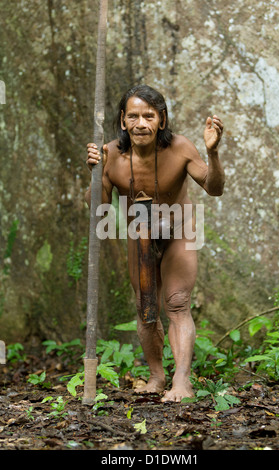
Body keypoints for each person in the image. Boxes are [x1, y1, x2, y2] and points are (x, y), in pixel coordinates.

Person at [85, 84, 225, 402]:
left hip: (179, 233)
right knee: (146, 308)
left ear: (161, 120)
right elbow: (98, 208)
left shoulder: (180, 148)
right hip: (141, 237)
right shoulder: (111, 156)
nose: (140, 123)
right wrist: (94, 175)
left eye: (149, 116)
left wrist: (213, 153)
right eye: (133, 116)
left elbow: (214, 188)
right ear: (122, 120)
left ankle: (182, 381)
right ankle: (157, 375)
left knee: (176, 302)